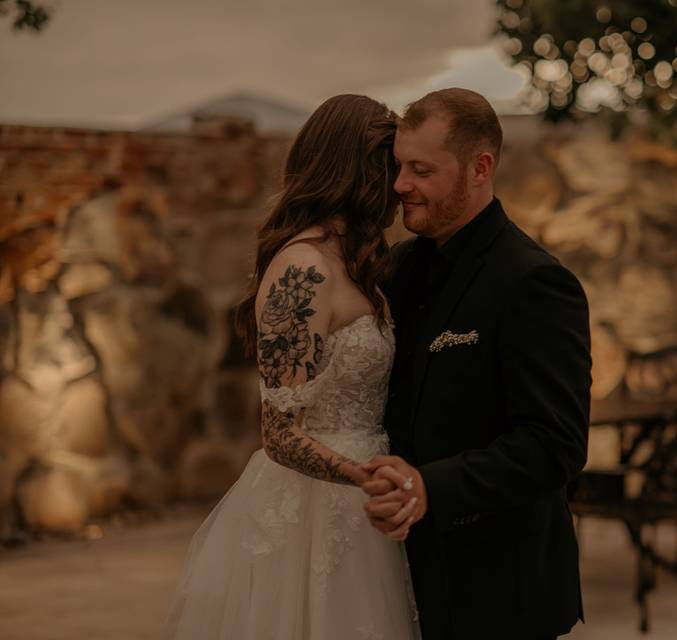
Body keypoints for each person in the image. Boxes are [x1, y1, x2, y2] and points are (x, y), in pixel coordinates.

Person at [163, 94, 421, 640]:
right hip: (318, 507)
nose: (397, 186)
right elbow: (279, 434)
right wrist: (363, 477)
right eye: (387, 167)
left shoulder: (356, 262)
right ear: (355, 170)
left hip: (366, 504)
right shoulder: (301, 271)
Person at [362, 88, 592, 640]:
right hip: (396, 579)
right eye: (398, 167)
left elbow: (553, 444)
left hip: (497, 589)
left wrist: (429, 487)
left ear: (480, 168)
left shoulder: (534, 282)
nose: (400, 186)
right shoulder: (397, 267)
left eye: (421, 170)